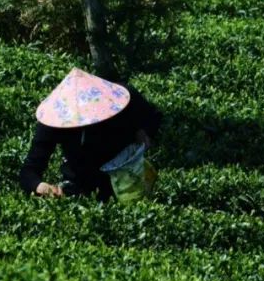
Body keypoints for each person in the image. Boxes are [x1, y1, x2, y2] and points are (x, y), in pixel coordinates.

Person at [20, 67, 162, 201]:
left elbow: (154, 116)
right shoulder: (55, 118)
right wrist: (40, 186)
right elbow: (29, 171)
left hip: (127, 173)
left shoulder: (123, 98)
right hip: (82, 185)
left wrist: (143, 131)